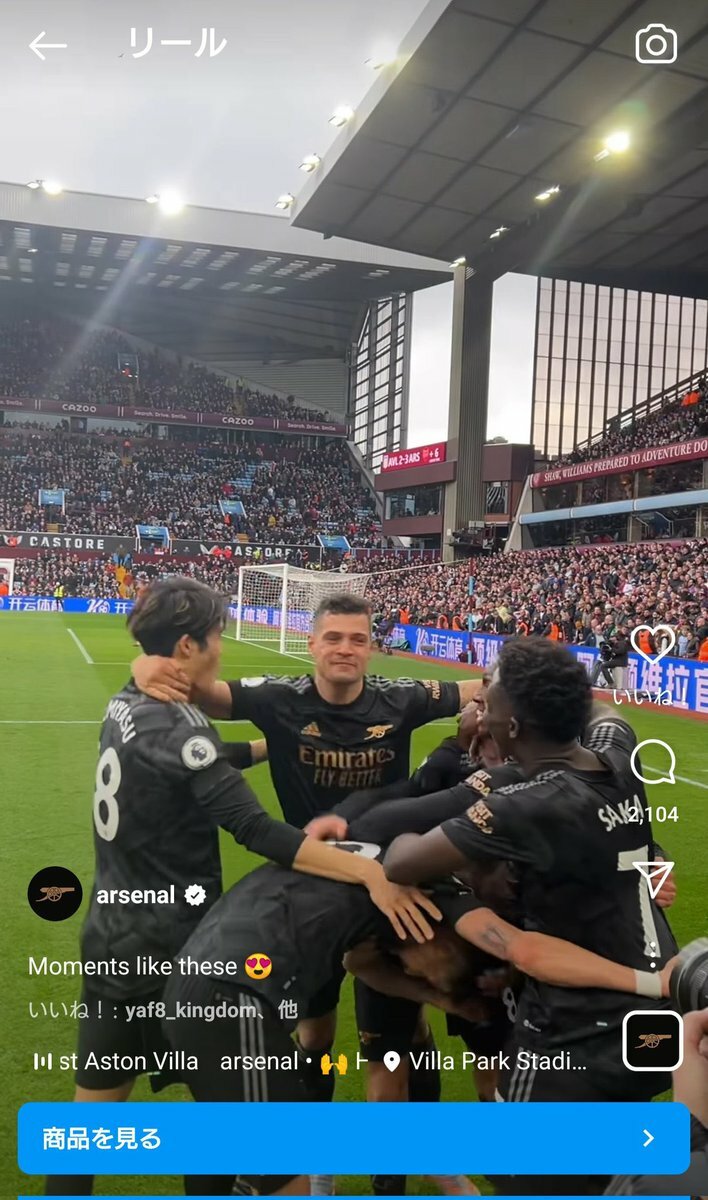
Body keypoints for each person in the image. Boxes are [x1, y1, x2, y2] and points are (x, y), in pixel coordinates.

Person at [45, 579, 439, 1198]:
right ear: (188, 646)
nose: (221, 648)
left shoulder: (128, 699)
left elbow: (190, 758)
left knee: (90, 1117)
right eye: (215, 637)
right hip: (175, 949)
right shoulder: (184, 728)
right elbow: (256, 829)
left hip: (110, 937)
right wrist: (368, 871)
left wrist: (271, 744)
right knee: (229, 1120)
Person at [164, 817, 677, 1198]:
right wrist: (651, 981)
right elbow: (524, 950)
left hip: (199, 983)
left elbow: (362, 963)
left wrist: (440, 997)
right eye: (431, 972)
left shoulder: (386, 874)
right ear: (439, 933)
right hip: (232, 996)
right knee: (284, 1166)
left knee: (222, 1151)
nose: (416, 976)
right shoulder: (435, 899)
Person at [132, 591, 481, 1119]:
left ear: (371, 647)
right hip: (312, 887)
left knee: (404, 1032)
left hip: (390, 886)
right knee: (314, 1032)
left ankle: (409, 1154)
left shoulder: (404, 698)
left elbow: (487, 686)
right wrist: (144, 667)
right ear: (312, 643)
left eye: (358, 639)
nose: (346, 649)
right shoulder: (277, 698)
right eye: (333, 638)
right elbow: (201, 692)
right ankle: (314, 1149)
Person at [384, 637, 679, 1195]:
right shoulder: (619, 758)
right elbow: (605, 710)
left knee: (520, 1174)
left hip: (575, 1036)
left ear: (514, 725)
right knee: (613, 1162)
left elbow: (403, 861)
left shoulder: (524, 805)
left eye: (490, 704)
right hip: (656, 1024)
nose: (482, 713)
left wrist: (402, 842)